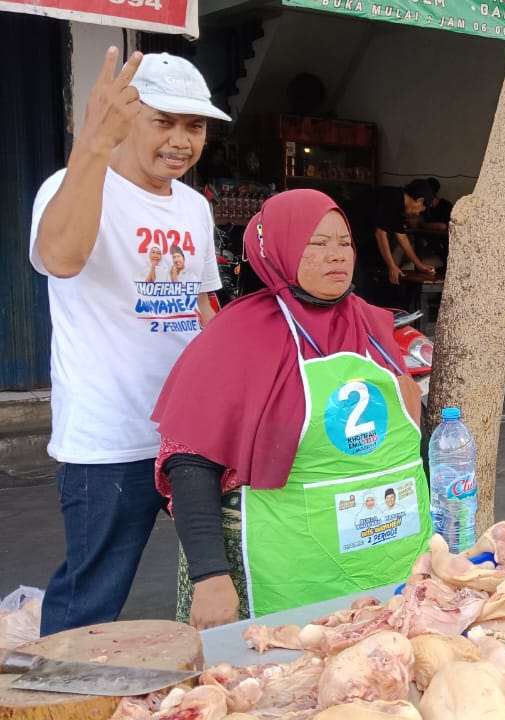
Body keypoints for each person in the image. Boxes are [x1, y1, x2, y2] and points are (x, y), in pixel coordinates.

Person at [151, 190, 432, 628]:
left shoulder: (373, 324)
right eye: (316, 244)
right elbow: (189, 460)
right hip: (277, 572)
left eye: (343, 242)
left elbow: (410, 438)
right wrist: (210, 577)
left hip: (388, 558)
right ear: (277, 248)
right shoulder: (238, 337)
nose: (336, 256)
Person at [29, 49, 226, 636]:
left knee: (223, 572)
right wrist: (91, 146)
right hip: (108, 441)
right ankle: (52, 693)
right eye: (161, 121)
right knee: (94, 594)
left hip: (186, 436)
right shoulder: (71, 185)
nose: (180, 141)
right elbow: (60, 259)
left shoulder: (193, 207)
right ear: (125, 120)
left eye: (194, 126)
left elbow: (200, 305)